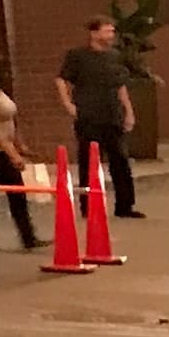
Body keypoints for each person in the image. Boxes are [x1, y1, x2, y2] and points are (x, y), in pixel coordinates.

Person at [58, 15, 140, 218]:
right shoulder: (78, 56)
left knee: (120, 161)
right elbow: (61, 79)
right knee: (89, 161)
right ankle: (88, 205)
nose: (111, 35)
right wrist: (68, 103)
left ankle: (125, 205)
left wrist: (128, 111)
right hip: (89, 115)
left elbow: (120, 85)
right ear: (94, 33)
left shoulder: (114, 56)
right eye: (107, 31)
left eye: (112, 31)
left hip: (112, 113)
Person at [0, 82, 38, 251]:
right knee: (15, 191)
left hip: (6, 147)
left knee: (6, 192)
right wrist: (13, 154)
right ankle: (27, 236)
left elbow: (11, 122)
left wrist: (19, 144)